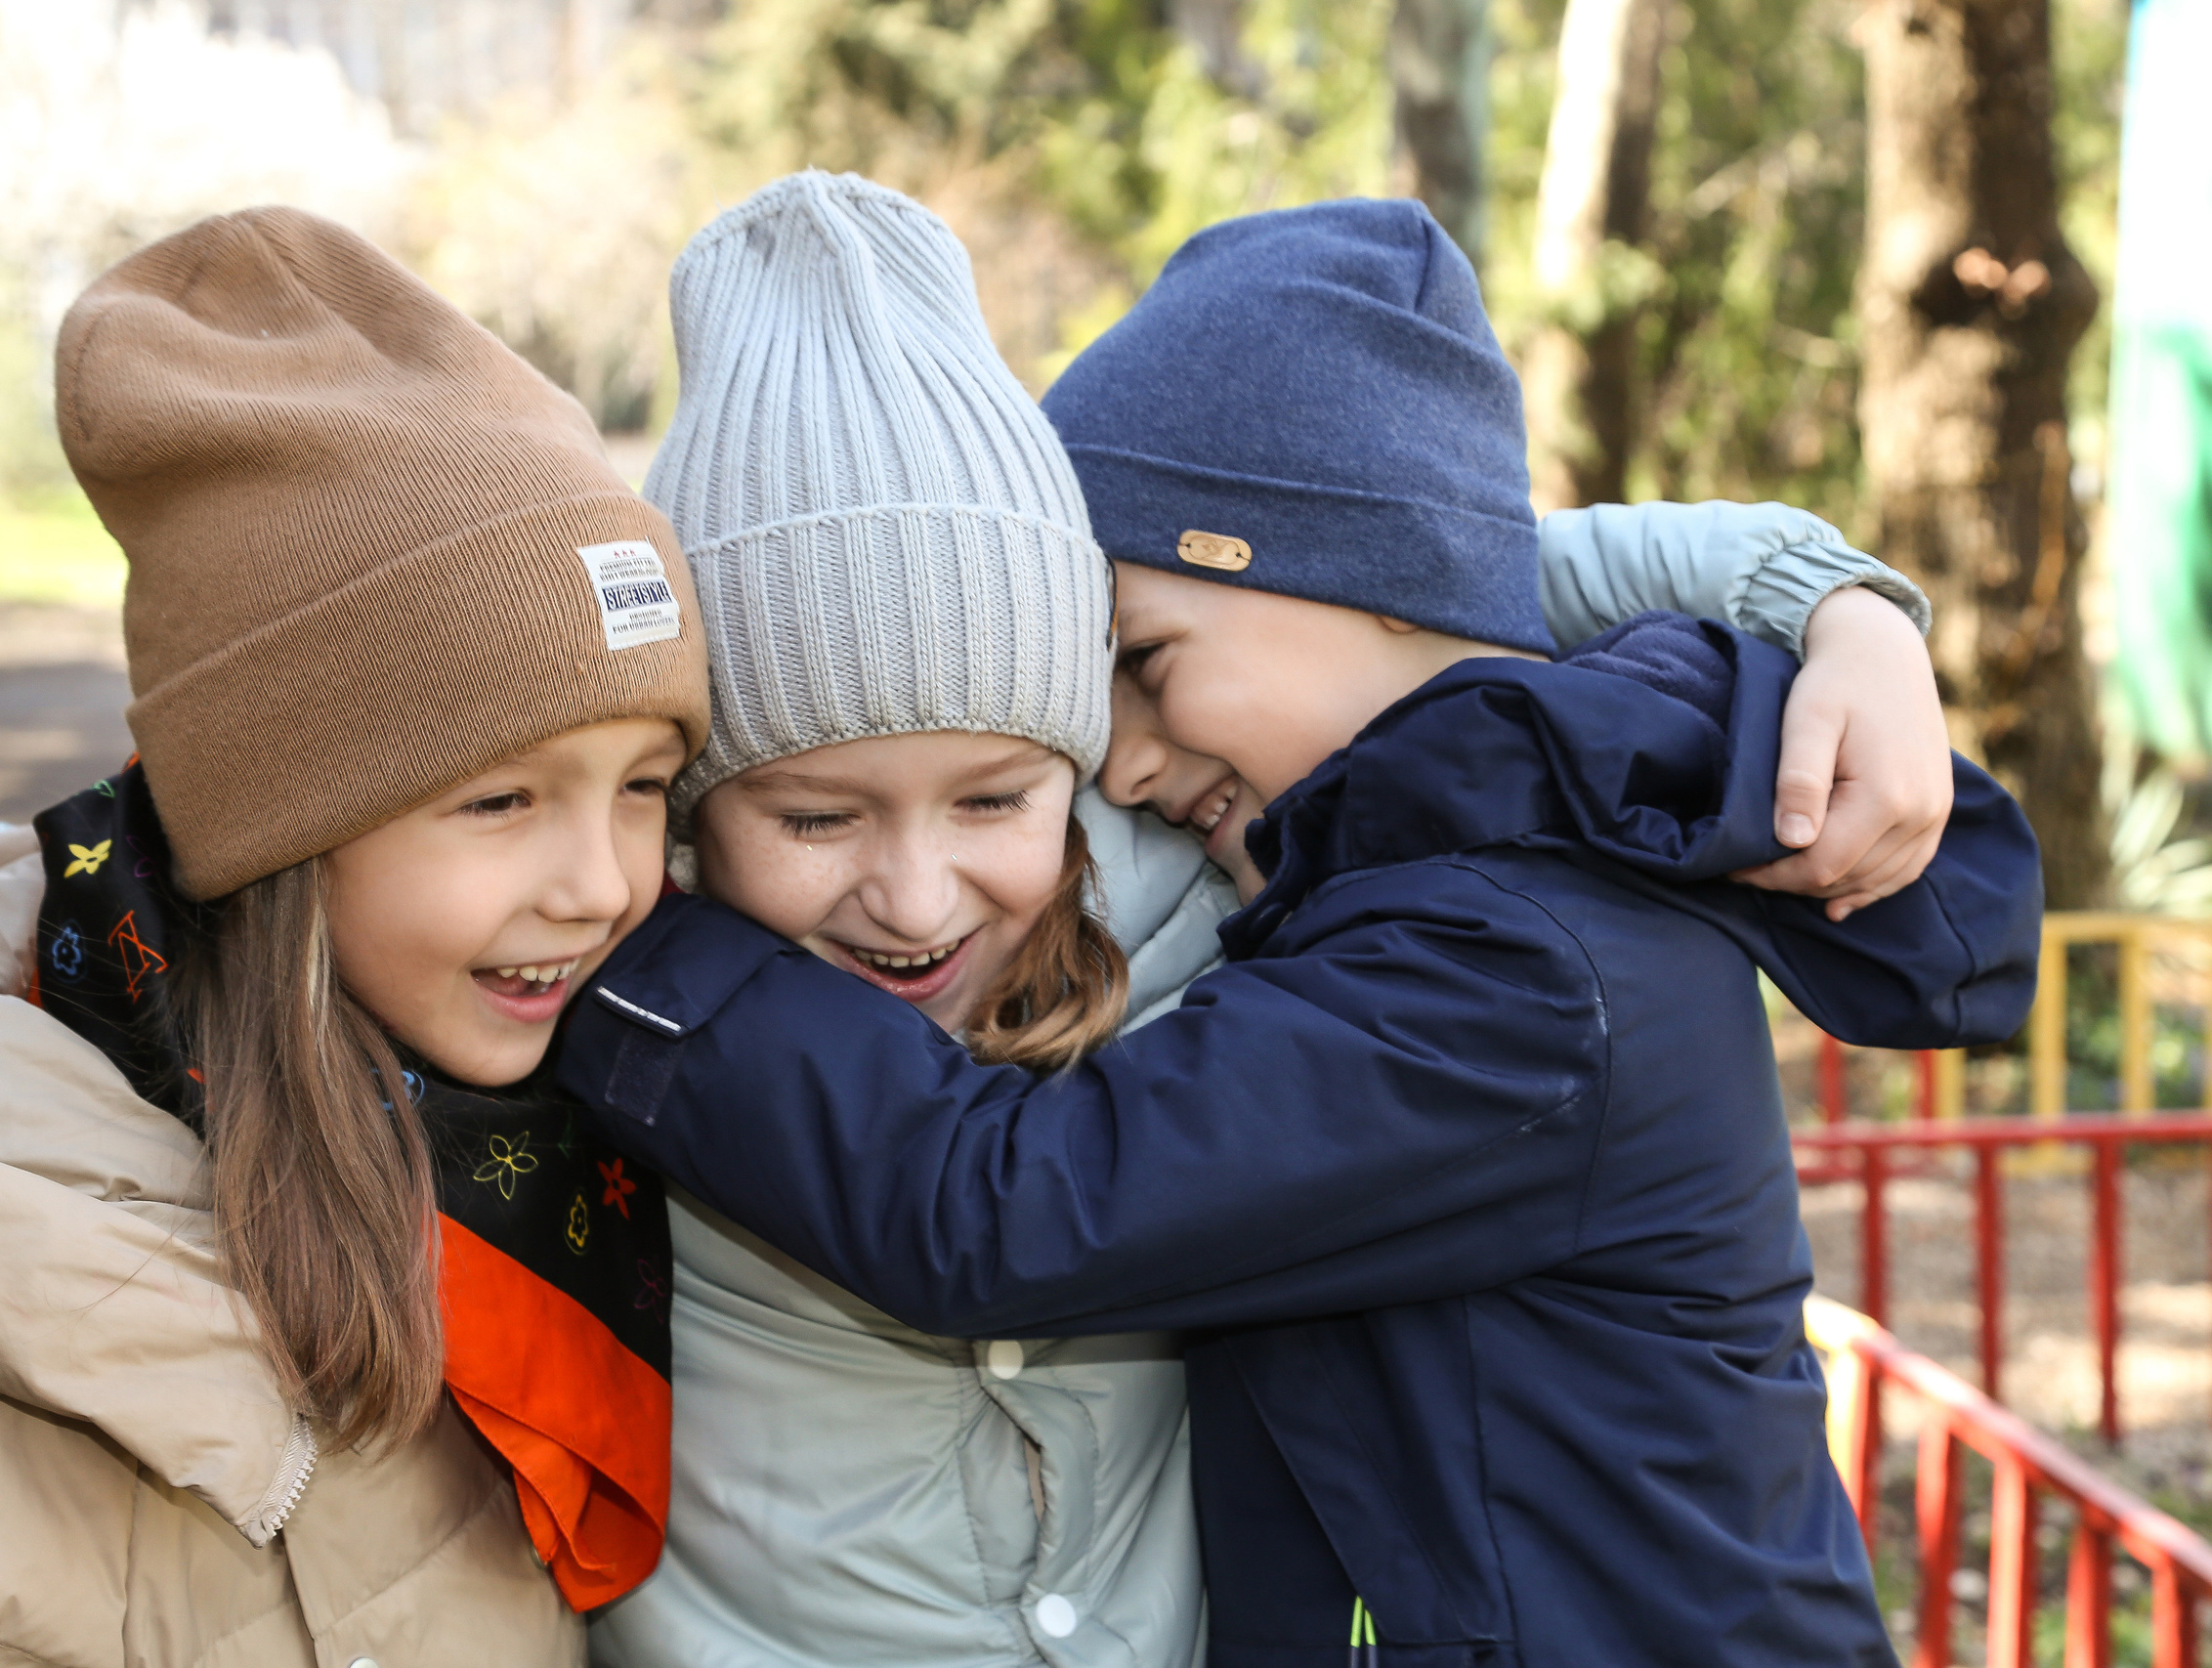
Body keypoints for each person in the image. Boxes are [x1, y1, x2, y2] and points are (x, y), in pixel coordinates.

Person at [545, 199, 2044, 1668]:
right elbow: (1439, 569)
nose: (1117, 765)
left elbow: (1000, 1210)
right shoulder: (1411, 863)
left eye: (1141, 664)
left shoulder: (1514, 966)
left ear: (1355, 572)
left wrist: (604, 939)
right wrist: (1816, 588)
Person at [0, 209, 706, 1664]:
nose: (599, 884)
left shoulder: (512, 1153)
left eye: (643, 790)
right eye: (499, 800)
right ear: (273, 834)